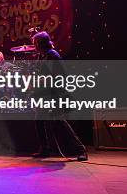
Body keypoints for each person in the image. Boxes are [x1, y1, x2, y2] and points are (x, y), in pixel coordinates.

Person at [31, 31, 88, 161]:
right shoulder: (43, 56)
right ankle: (45, 149)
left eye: (35, 43)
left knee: (59, 122)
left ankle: (81, 149)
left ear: (41, 43)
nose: (34, 46)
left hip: (55, 94)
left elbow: (60, 77)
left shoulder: (53, 55)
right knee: (39, 120)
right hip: (46, 95)